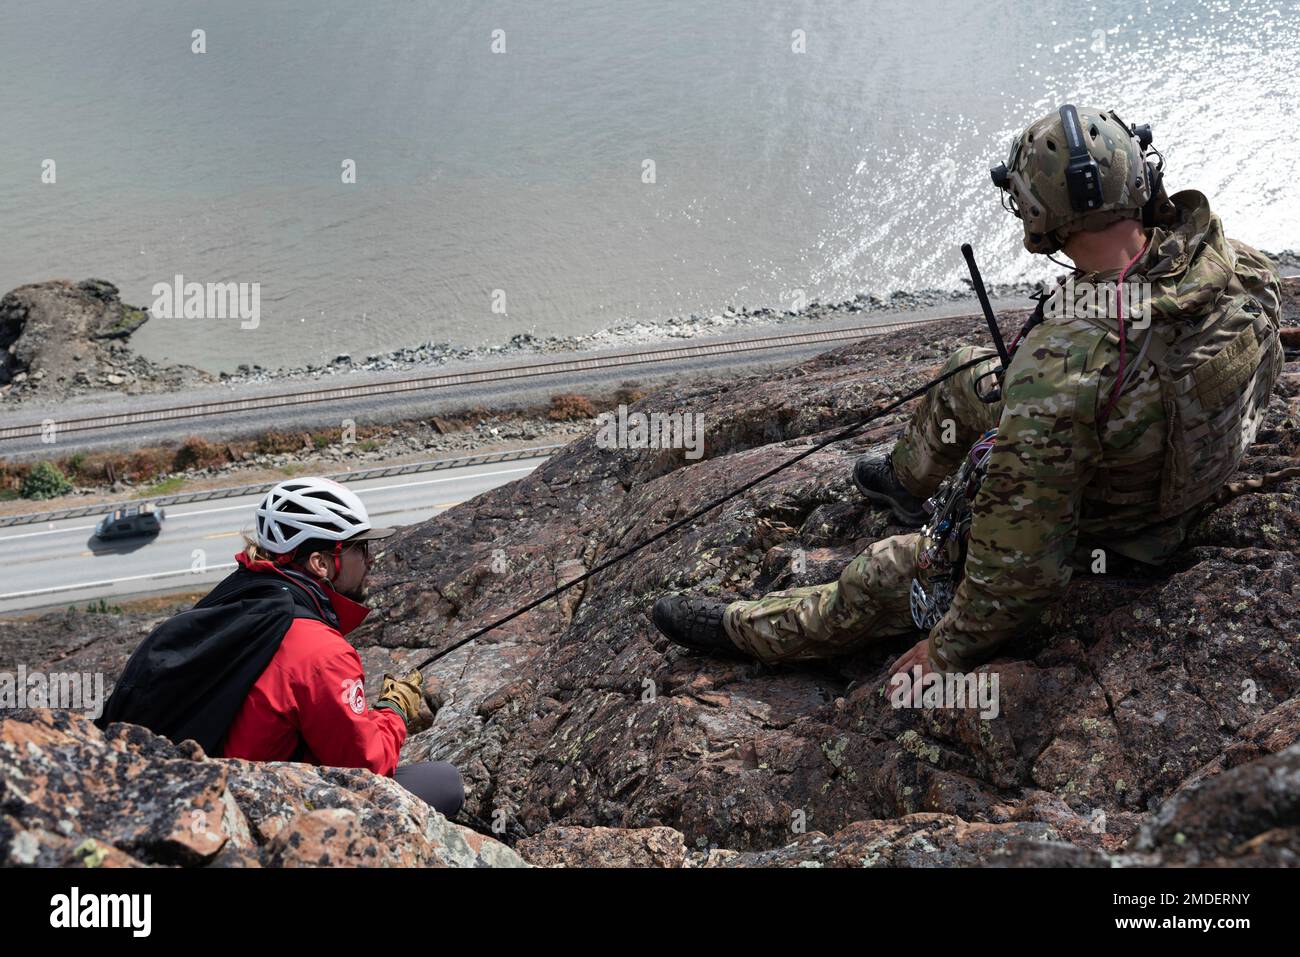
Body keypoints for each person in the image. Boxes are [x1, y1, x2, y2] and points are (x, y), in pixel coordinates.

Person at [652, 104, 1283, 681]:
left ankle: (744, 630)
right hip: (1169, 456)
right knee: (967, 376)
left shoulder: (1064, 369)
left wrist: (950, 648)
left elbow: (1017, 570)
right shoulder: (1229, 263)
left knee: (885, 572)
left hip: (1125, 520)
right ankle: (907, 483)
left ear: (1040, 217)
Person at [98, 477, 464, 817]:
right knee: (444, 784)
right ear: (321, 563)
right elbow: (368, 765)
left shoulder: (242, 594)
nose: (370, 560)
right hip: (262, 807)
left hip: (201, 788)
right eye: (360, 547)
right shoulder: (320, 650)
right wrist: (394, 711)